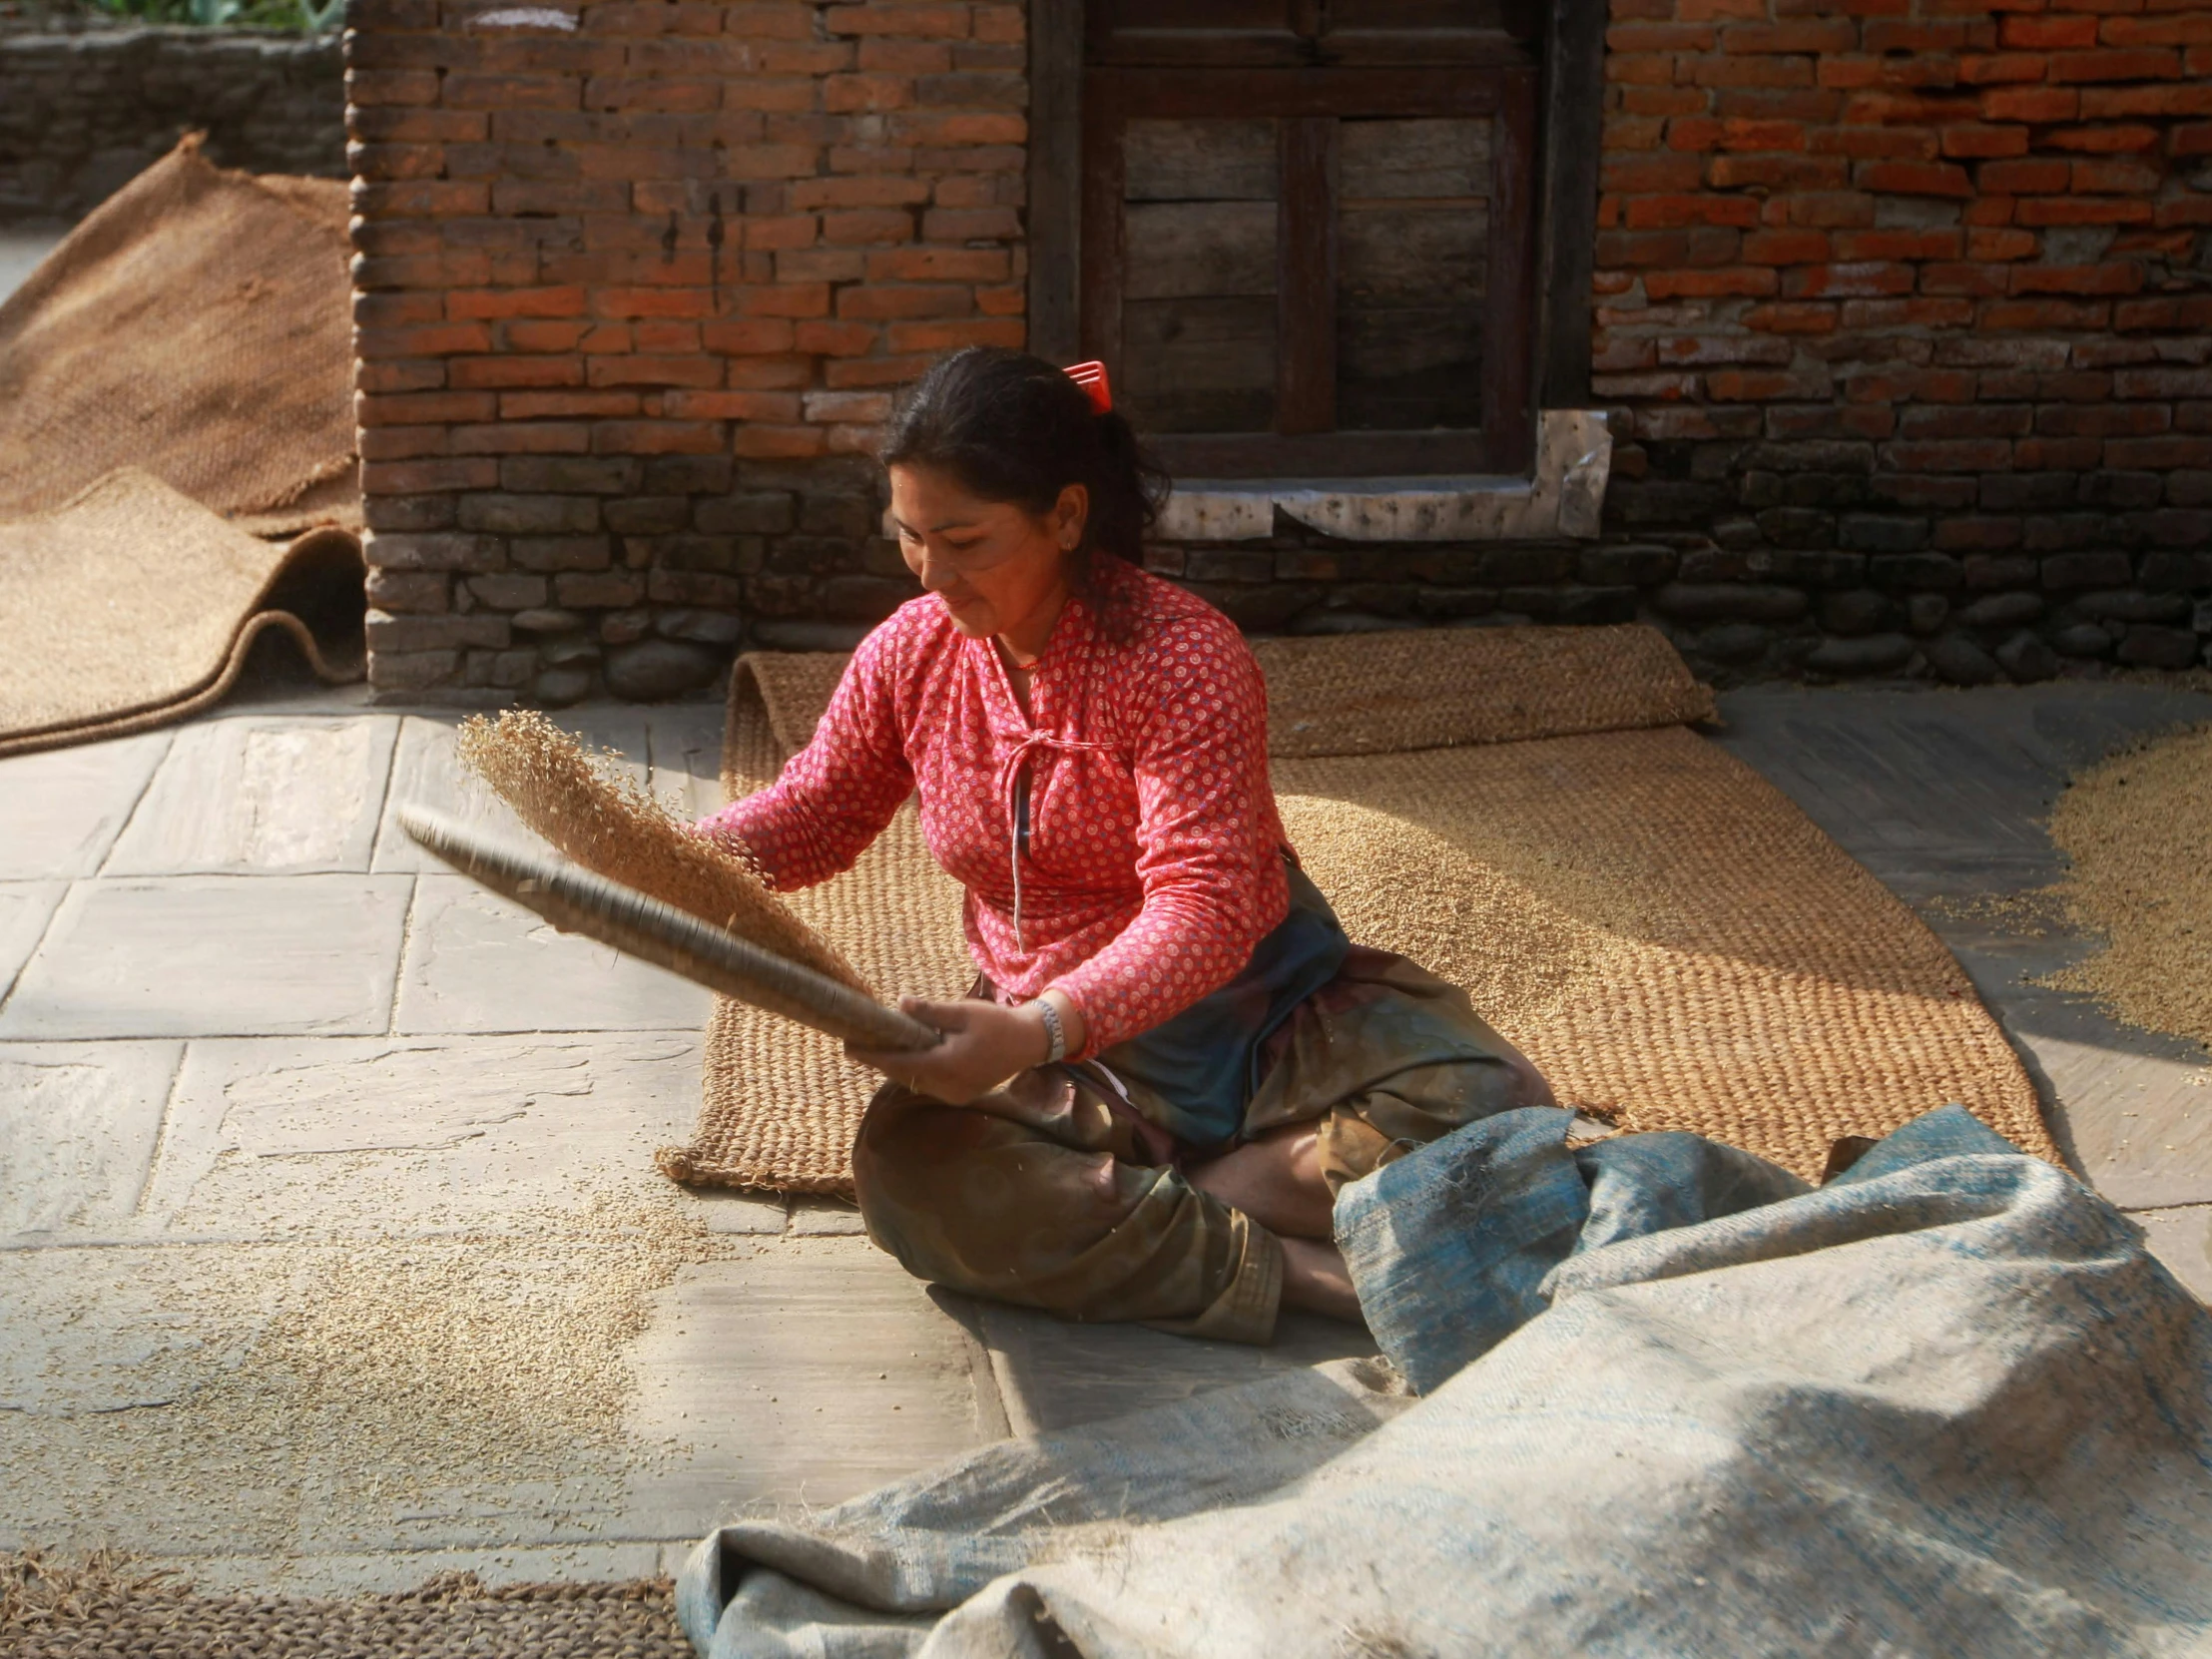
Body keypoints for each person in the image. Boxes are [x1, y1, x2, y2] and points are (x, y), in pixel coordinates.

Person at [693, 347, 1551, 1344]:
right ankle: (1303, 1273)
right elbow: (815, 812)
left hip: (1258, 1016)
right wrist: (657, 859)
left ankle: (1168, 1197)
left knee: (1494, 1115)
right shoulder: (912, 651)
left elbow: (1206, 906)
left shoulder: (1182, 658)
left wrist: (1036, 1031)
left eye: (964, 540)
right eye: (910, 539)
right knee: (907, 1176)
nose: (936, 576)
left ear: (1065, 517)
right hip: (1075, 1068)